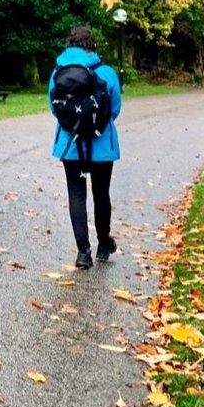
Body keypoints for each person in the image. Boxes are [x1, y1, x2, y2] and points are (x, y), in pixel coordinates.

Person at [49, 25, 122, 269]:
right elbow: (114, 108)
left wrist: (74, 124)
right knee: (101, 193)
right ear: (92, 45)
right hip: (101, 145)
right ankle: (103, 243)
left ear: (70, 45)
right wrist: (97, 124)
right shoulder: (106, 72)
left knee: (76, 194)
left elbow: (55, 107)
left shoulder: (58, 71)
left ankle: (83, 252)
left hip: (70, 144)